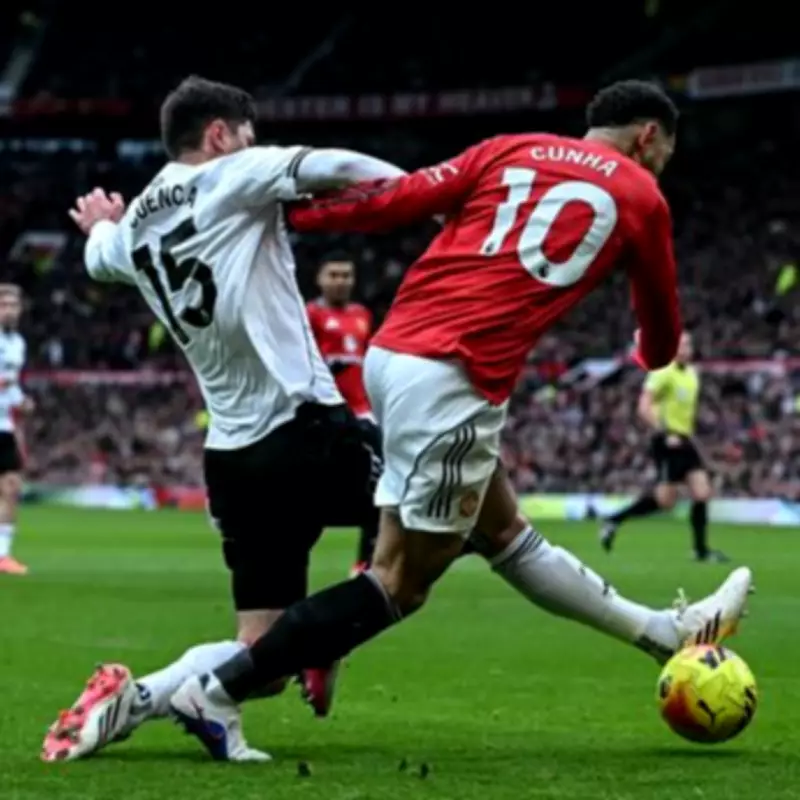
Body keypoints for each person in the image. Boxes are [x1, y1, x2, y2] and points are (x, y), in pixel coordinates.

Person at [167, 80, 754, 762]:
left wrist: (298, 221)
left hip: (392, 354)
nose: (656, 170)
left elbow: (398, 198)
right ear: (647, 137)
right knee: (398, 584)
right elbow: (658, 342)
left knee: (504, 532)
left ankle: (665, 631)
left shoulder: (510, 147)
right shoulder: (641, 195)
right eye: (661, 155)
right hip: (455, 374)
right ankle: (218, 690)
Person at [41, 75, 403, 762]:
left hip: (233, 459)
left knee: (258, 653)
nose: (252, 144)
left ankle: (135, 698)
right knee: (445, 512)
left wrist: (102, 225)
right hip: (303, 429)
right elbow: (336, 166)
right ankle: (325, 638)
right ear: (219, 135)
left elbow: (97, 259)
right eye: (247, 133)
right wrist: (441, 200)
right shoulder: (236, 173)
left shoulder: (140, 220)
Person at [600, 331, 726, 561]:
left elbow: (685, 414)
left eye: (689, 343)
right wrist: (663, 431)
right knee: (665, 501)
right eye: (683, 344)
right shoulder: (662, 372)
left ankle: (701, 551)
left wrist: (689, 437)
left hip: (685, 440)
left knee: (702, 493)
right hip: (667, 441)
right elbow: (644, 406)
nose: (687, 348)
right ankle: (614, 519)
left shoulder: (692, 375)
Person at [307, 253, 379, 575]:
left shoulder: (362, 315)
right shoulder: (309, 314)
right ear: (320, 279)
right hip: (323, 414)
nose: (341, 281)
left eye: (346, 275)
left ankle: (365, 563)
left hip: (362, 412)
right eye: (334, 274)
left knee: (380, 485)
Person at [0, 285, 32, 576]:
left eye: (14, 304)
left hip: (4, 426)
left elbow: (11, 383)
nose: (10, 309)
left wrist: (21, 400)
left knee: (11, 487)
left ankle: (2, 555)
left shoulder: (18, 343)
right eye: (4, 304)